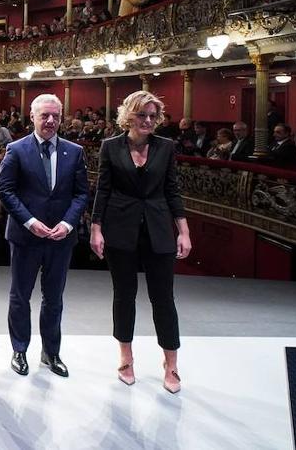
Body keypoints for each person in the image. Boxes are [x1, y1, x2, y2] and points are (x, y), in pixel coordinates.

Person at [90, 90, 192, 394]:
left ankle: (171, 363)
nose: (148, 121)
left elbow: (172, 191)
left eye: (152, 116)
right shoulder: (110, 147)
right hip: (120, 228)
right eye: (141, 115)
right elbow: (103, 190)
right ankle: (126, 356)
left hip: (159, 229)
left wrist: (183, 231)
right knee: (124, 295)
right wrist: (96, 228)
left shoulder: (166, 146)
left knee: (164, 299)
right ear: (128, 116)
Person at [0, 94, 89, 378]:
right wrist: (29, 221)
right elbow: (5, 190)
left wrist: (68, 224)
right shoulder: (16, 149)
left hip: (61, 238)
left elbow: (81, 193)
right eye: (44, 116)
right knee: (20, 296)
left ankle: (51, 353)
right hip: (26, 236)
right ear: (32, 116)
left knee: (54, 299)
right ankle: (19, 350)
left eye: (56, 116)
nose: (50, 121)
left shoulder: (74, 151)